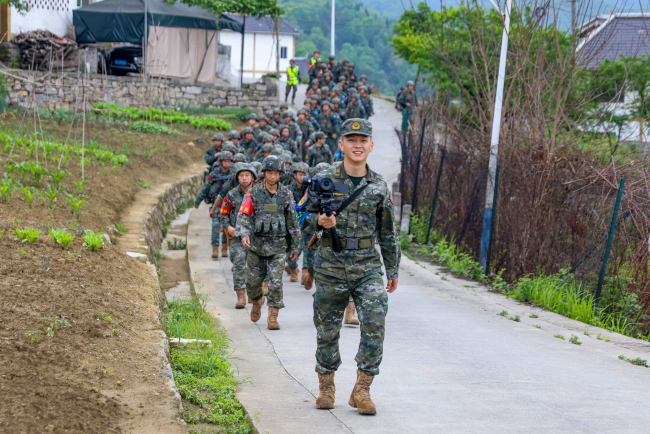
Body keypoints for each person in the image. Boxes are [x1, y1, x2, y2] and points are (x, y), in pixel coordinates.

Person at [301, 118, 400, 415]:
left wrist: (392, 269)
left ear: (371, 146)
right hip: (331, 264)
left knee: (375, 322)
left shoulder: (379, 186)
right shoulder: (323, 178)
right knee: (327, 329)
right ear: (341, 144)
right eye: (351, 140)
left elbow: (388, 232)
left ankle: (362, 389)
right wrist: (318, 220)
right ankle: (327, 386)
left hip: (368, 267)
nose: (357, 145)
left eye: (363, 140)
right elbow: (298, 218)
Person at [236, 156, 301, 330]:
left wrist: (295, 245)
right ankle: (257, 301)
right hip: (256, 246)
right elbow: (243, 216)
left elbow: (292, 222)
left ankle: (273, 315)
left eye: (276, 173)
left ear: (281, 174)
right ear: (264, 173)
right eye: (269, 173)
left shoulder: (286, 194)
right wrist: (243, 234)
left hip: (278, 247)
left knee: (275, 282)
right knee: (252, 284)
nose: (272, 176)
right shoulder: (252, 193)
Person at [218, 163, 257, 309]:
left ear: (253, 177)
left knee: (254, 266)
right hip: (237, 236)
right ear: (237, 178)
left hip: (255, 236)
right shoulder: (231, 194)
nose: (244, 178)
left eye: (247, 175)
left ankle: (253, 293)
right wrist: (228, 227)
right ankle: (241, 296)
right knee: (239, 263)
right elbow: (223, 214)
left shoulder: (259, 194)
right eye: (241, 175)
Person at [195, 151, 234, 258]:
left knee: (227, 228)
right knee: (215, 226)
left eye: (229, 161)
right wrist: (197, 202)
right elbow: (205, 189)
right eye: (225, 161)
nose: (227, 163)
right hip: (216, 204)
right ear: (221, 162)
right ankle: (215, 250)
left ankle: (224, 249)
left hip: (229, 205)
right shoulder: (214, 174)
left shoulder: (234, 174)